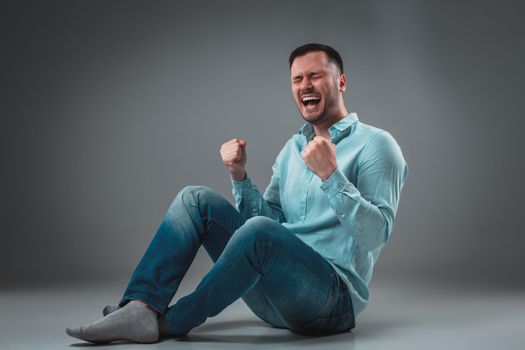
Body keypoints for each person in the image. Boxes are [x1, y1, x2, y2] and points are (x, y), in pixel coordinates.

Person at [66, 43, 409, 343]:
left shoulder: (377, 145)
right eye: (297, 79)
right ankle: (140, 306)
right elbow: (268, 223)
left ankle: (167, 322)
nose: (305, 85)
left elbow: (377, 234)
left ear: (341, 82)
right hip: (275, 298)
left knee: (261, 234)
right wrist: (239, 175)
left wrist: (332, 175)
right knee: (194, 198)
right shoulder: (293, 148)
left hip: (331, 303)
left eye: (315, 75)